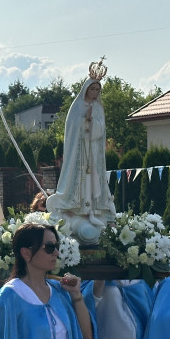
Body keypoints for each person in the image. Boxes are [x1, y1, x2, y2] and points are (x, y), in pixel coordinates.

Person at [45, 73, 117, 244]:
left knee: (93, 181)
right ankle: (79, 210)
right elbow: (72, 129)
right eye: (92, 89)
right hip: (78, 154)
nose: (94, 92)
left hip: (93, 152)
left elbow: (101, 129)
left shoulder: (98, 107)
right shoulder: (77, 106)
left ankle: (92, 210)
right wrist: (84, 121)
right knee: (79, 181)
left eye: (97, 90)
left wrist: (92, 122)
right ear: (86, 89)